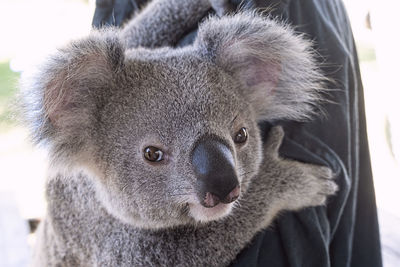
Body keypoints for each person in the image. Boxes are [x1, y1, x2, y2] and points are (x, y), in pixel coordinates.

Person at [92, 0, 382, 266]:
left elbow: (132, 58)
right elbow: (141, 257)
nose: (232, 191)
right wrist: (269, 191)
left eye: (239, 135)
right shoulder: (94, 130)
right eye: (154, 155)